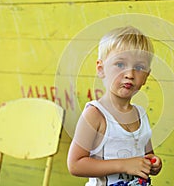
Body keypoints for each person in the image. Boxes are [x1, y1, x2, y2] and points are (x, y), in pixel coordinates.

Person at [67, 26, 162, 186]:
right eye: (120, 64)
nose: (130, 74)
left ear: (146, 76)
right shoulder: (95, 115)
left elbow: (146, 155)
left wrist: (153, 163)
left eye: (139, 68)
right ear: (101, 69)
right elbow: (75, 164)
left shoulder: (141, 115)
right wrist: (124, 165)